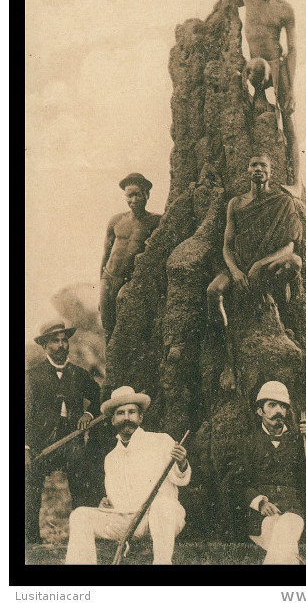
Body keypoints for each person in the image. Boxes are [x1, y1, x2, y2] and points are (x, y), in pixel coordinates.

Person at [207, 154, 302, 389]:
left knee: (294, 262)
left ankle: (276, 309)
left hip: (266, 267)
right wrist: (236, 272)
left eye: (263, 165)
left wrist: (260, 264)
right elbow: (227, 246)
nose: (258, 169)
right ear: (247, 171)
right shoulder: (236, 203)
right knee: (213, 291)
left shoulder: (282, 201)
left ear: (271, 172)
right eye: (254, 165)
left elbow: (289, 246)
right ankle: (226, 355)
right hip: (237, 264)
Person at [66, 386, 190, 564]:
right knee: (80, 515)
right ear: (113, 421)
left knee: (163, 505)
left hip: (161, 517)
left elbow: (181, 476)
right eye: (120, 413)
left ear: (140, 417)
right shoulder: (111, 458)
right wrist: (109, 505)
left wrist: (182, 462)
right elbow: (117, 498)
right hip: (128, 521)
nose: (126, 418)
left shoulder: (161, 440)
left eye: (132, 412)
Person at [224, 0, 300, 189]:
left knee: (288, 119)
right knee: (253, 75)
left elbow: (293, 49)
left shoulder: (284, 9)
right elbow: (234, 0)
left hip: (276, 65)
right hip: (254, 65)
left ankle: (296, 183)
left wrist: (290, 88)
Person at [235, 381, 306, 565]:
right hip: (261, 518)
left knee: (285, 527)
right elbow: (237, 482)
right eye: (272, 405)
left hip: (293, 513)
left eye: (283, 406)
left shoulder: (298, 441)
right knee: (282, 539)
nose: (279, 411)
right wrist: (259, 503)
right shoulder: (248, 442)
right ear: (260, 411)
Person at [25, 322, 101, 544]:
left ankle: (82, 537)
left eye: (63, 340)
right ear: (44, 346)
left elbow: (98, 397)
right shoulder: (32, 376)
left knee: (82, 482)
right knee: (29, 485)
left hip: (71, 442)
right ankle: (30, 540)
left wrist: (88, 413)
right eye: (54, 341)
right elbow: (25, 413)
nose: (61, 345)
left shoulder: (79, 374)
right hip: (41, 444)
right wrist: (26, 447)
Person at [100, 173, 160, 342]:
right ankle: (111, 368)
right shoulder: (116, 220)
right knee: (107, 328)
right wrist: (101, 284)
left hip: (128, 282)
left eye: (137, 194)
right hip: (108, 278)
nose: (133, 200)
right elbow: (106, 254)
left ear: (146, 194)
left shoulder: (155, 221)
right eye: (129, 195)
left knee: (124, 326)